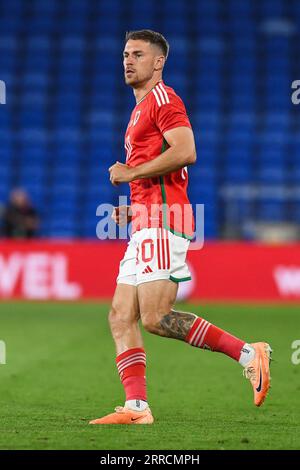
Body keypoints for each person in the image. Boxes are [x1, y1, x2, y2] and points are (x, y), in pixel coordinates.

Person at [89, 30, 272, 425]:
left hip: (165, 220)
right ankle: (137, 408)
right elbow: (161, 172)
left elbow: (186, 151)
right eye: (125, 53)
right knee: (121, 316)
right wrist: (134, 210)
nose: (128, 60)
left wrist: (132, 172)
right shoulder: (138, 110)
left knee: (155, 317)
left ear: (158, 62)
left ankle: (248, 353)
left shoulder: (163, 99)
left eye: (138, 54)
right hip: (146, 220)